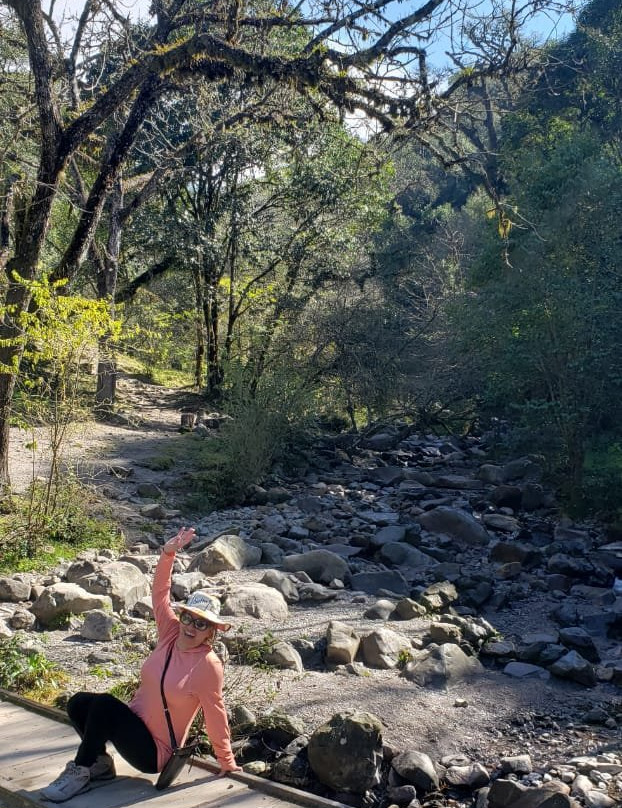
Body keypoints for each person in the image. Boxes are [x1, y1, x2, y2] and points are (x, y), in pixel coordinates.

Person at [41, 526, 242, 802]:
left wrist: (226, 759)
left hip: (155, 751)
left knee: (104, 706)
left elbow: (215, 713)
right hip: (134, 726)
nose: (191, 627)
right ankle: (99, 765)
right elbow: (160, 594)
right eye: (188, 618)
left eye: (201, 623)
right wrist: (168, 554)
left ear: (211, 631)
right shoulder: (170, 633)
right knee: (78, 703)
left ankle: (80, 770)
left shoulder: (208, 665)